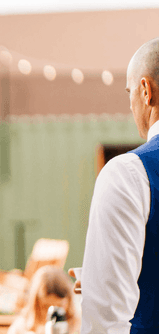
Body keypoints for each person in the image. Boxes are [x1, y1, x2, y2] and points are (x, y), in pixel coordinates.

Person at [72, 38, 159, 333]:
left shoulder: (128, 173)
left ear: (146, 91)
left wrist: (103, 283)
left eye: (130, 93)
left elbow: (105, 320)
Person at [8, 266, 79, 334]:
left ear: (69, 301)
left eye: (59, 306)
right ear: (36, 305)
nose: (53, 315)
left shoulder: (77, 325)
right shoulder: (22, 326)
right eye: (46, 306)